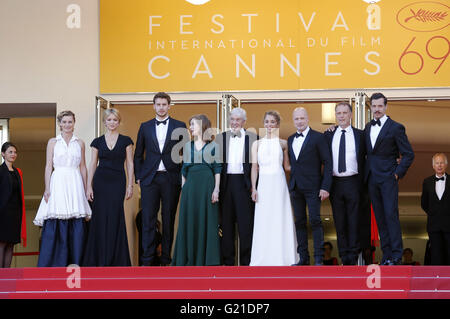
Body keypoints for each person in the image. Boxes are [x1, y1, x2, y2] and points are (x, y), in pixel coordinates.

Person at [134, 92, 187, 266]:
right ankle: (147, 259)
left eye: (164, 104)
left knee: (168, 219)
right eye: (158, 104)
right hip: (150, 179)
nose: (161, 107)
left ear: (169, 106)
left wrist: (183, 176)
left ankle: (166, 259)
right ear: (153, 106)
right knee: (148, 219)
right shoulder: (145, 126)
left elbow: (185, 154)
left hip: (171, 179)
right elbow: (138, 155)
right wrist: (139, 176)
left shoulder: (180, 125)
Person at [34, 110, 91, 267]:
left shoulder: (80, 143)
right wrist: (47, 188)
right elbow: (48, 166)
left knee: (76, 218)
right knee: (57, 216)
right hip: (58, 180)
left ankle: (76, 262)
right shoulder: (52, 142)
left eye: (70, 122)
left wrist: (86, 188)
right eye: (64, 122)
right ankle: (53, 263)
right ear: (59, 123)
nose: (67, 124)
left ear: (74, 123)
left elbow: (83, 167)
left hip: (75, 181)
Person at [364, 92, 414, 266]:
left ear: (385, 107)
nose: (377, 109)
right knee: (379, 218)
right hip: (371, 178)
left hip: (388, 178)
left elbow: (408, 154)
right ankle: (386, 256)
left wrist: (397, 173)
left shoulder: (396, 127)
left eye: (380, 106)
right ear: (371, 108)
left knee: (391, 216)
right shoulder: (368, 127)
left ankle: (396, 255)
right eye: (374, 106)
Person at [83, 108, 134, 266]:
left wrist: (130, 185)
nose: (112, 123)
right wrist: (88, 187)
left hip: (118, 181)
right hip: (100, 181)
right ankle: (98, 260)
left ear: (119, 122)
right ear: (104, 122)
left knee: (115, 216)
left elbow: (130, 164)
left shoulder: (126, 141)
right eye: (109, 120)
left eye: (115, 120)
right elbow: (92, 164)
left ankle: (117, 260)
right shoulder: (96, 142)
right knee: (99, 217)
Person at [171, 114, 222, 266]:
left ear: (202, 125)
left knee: (207, 221)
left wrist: (216, 190)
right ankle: (187, 259)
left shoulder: (214, 146)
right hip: (190, 188)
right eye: (190, 124)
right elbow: (184, 170)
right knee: (189, 221)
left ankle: (207, 260)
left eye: (193, 124)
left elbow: (217, 169)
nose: (190, 128)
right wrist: (183, 189)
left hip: (207, 185)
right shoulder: (187, 146)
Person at [249, 111, 298, 266]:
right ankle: (263, 258)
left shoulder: (283, 143)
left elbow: (288, 166)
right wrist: (254, 188)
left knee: (280, 217)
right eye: (267, 122)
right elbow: (254, 168)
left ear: (277, 124)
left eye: (272, 122)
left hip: (279, 182)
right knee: (264, 219)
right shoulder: (256, 144)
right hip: (263, 184)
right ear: (264, 123)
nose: (269, 125)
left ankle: (284, 257)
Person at [288, 107, 332, 266]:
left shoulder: (318, 138)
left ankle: (319, 258)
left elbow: (327, 163)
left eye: (301, 118)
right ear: (293, 121)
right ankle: (303, 258)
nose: (299, 121)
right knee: (299, 222)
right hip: (296, 187)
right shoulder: (291, 138)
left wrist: (325, 186)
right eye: (296, 119)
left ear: (307, 119)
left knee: (315, 221)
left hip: (314, 186)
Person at [324, 102, 366, 265]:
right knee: (339, 221)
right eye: (338, 113)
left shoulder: (360, 135)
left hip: (354, 181)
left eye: (344, 113)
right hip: (335, 183)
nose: (341, 116)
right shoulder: (328, 135)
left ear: (350, 115)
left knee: (354, 220)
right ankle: (344, 256)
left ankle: (353, 258)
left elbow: (372, 154)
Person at [218, 107, 257, 266]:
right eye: (232, 119)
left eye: (238, 120)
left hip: (244, 184)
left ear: (244, 122)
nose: (234, 122)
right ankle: (228, 263)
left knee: (246, 225)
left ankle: (246, 262)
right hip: (226, 185)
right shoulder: (221, 138)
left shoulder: (254, 138)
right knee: (226, 225)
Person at [420, 153, 450, 265]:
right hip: (433, 225)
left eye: (441, 163)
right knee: (436, 254)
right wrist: (434, 214)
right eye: (437, 163)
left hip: (449, 224)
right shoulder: (427, 182)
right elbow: (424, 203)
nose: (439, 165)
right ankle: (437, 280)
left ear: (446, 164)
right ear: (433, 166)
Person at [0, 142, 26, 268]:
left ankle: (6, 276)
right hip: (2, 213)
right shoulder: (0, 171)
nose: (13, 154)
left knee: (10, 244)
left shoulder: (17, 172)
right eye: (10, 152)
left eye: (15, 152)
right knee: (2, 243)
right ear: (3, 154)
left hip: (15, 214)